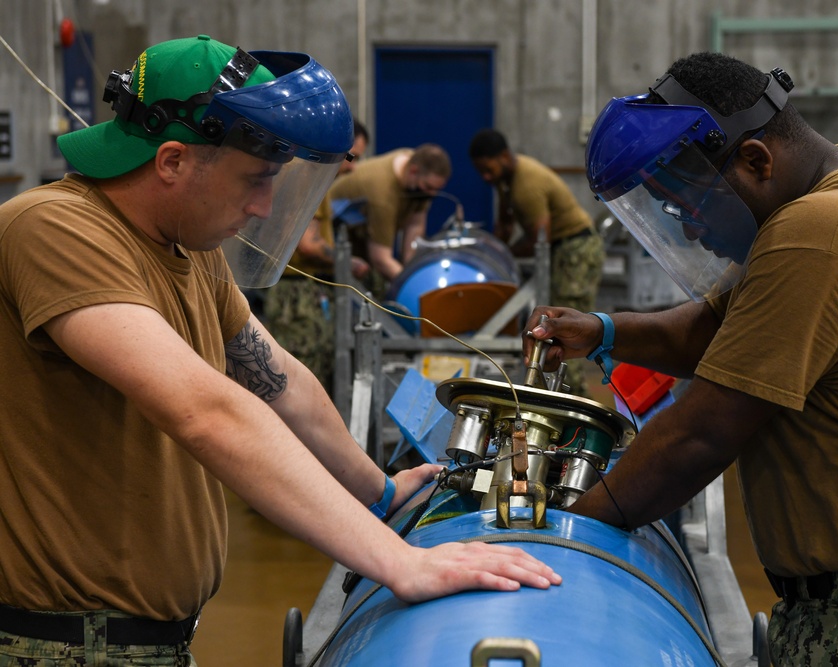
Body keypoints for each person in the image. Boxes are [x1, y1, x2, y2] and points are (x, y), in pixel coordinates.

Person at [0, 35, 559, 666]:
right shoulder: (53, 230)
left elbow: (280, 381)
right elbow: (206, 411)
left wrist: (380, 494)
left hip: (142, 638)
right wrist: (400, 563)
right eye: (256, 179)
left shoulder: (191, 247)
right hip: (66, 646)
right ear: (173, 161)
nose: (265, 206)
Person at [522, 51, 838, 664]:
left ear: (755, 161)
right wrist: (605, 331)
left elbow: (704, 433)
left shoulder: (823, 229)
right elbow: (721, 329)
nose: (692, 232)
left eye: (691, 208)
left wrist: (568, 534)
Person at [468, 129, 605, 397]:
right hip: (562, 249)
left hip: (576, 249)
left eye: (488, 169)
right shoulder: (506, 181)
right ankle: (564, 392)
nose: (486, 177)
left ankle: (575, 396)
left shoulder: (526, 185)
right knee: (555, 321)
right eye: (480, 172)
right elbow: (505, 225)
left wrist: (503, 254)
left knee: (568, 323)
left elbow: (538, 240)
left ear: (504, 157)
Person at [262, 118, 371, 392]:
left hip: (294, 291)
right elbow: (308, 244)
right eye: (352, 157)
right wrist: (348, 262)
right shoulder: (307, 177)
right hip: (296, 294)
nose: (353, 167)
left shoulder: (298, 172)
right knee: (302, 376)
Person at [328, 142, 452, 292]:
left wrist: (411, 270)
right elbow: (380, 259)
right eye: (428, 187)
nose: (431, 195)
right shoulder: (383, 194)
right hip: (334, 248)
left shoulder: (414, 167)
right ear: (413, 171)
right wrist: (416, 287)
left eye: (436, 190)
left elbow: (415, 227)